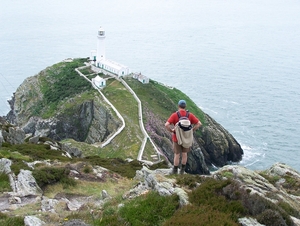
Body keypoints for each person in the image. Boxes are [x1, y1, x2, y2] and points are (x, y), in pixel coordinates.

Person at [165, 100, 202, 174]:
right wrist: (192, 130)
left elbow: (166, 124)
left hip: (177, 138)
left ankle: (175, 171)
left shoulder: (175, 115)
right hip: (187, 138)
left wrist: (171, 131)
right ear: (185, 106)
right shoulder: (189, 115)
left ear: (178, 106)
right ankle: (182, 171)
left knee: (177, 154)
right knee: (185, 154)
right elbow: (199, 124)